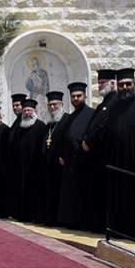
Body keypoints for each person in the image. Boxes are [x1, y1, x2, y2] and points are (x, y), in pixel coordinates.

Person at [88, 67, 135, 238]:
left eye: (128, 84)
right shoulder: (112, 106)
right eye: (121, 85)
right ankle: (119, 230)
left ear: (134, 84)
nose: (125, 88)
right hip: (117, 163)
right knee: (119, 200)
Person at [80, 69, 117, 231]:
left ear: (113, 83)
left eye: (103, 82)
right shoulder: (103, 104)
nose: (100, 85)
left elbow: (102, 126)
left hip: (104, 156)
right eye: (99, 83)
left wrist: (89, 141)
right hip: (96, 159)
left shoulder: (114, 102)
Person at [56, 82, 95, 228]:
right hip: (70, 163)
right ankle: (72, 221)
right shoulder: (70, 117)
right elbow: (63, 137)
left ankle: (85, 222)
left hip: (85, 162)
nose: (76, 99)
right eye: (73, 96)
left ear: (85, 96)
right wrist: (62, 154)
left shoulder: (92, 114)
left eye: (79, 96)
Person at [10, 99, 47, 221]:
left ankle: (34, 215)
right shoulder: (19, 127)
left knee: (34, 190)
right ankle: (21, 214)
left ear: (34, 111)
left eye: (29, 110)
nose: (27, 113)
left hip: (35, 165)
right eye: (25, 110)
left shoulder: (41, 126)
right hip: (20, 165)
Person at [37, 91, 68, 225]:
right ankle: (49, 218)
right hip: (48, 165)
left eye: (55, 104)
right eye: (50, 105)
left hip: (60, 165)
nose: (52, 107)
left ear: (61, 104)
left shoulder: (67, 120)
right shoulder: (49, 124)